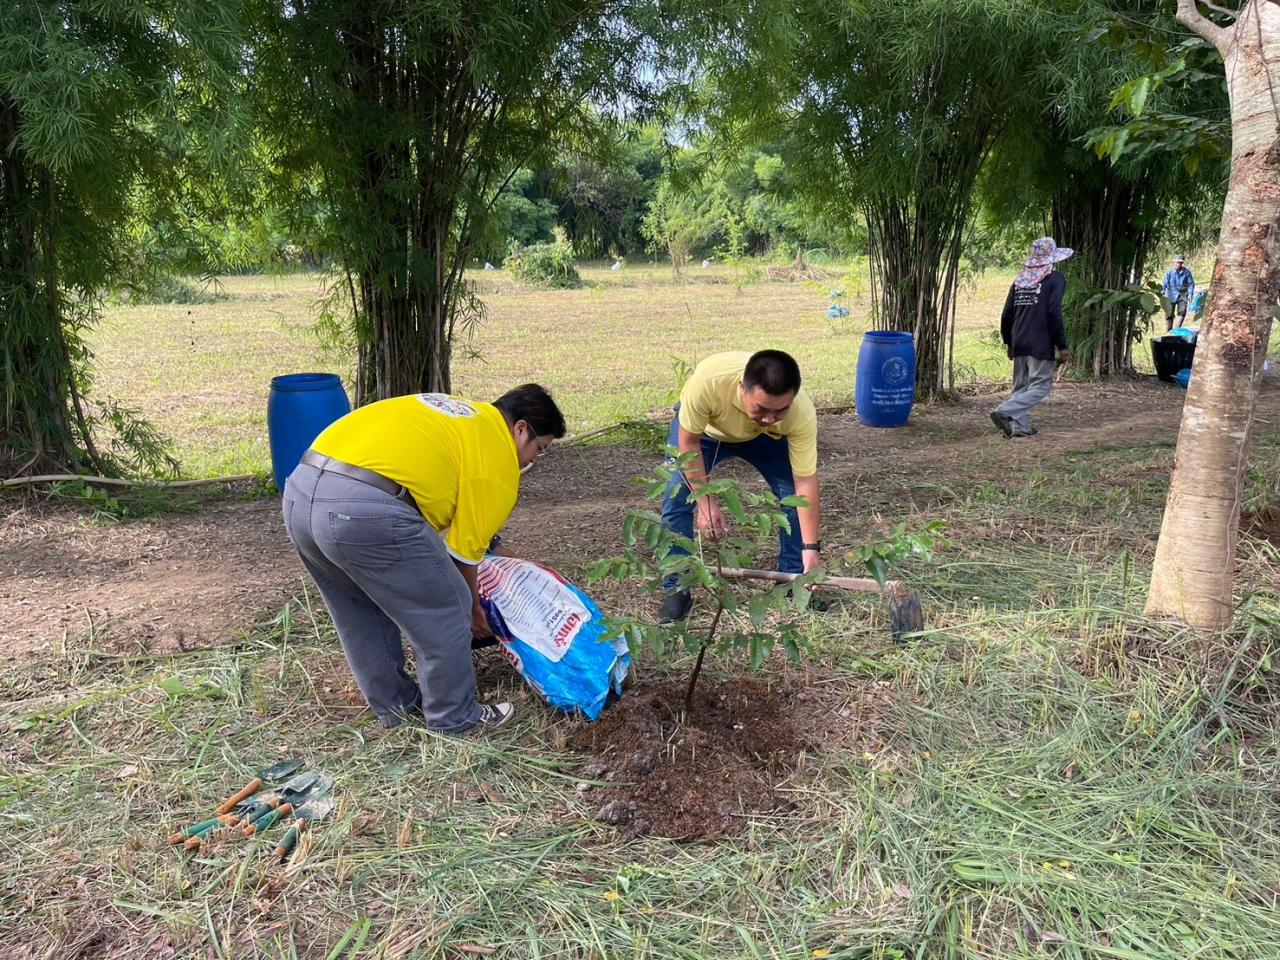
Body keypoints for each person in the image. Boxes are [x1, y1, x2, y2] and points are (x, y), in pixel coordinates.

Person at [281, 385, 565, 733]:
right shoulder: (501, 459)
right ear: (521, 429)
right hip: (364, 511)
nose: (535, 459)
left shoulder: (460, 416)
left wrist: (506, 558)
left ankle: (396, 709)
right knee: (448, 605)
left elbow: (467, 511)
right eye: (541, 448)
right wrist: (474, 612)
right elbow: (462, 556)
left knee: (359, 608)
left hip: (301, 491)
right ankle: (455, 718)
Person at [657, 350, 822, 623]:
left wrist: (811, 549)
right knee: (676, 497)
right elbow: (688, 445)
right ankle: (677, 587)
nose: (770, 417)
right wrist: (706, 502)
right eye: (761, 408)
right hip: (706, 435)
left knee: (792, 497)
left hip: (766, 440)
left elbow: (805, 481)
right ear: (741, 388)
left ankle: (793, 580)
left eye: (780, 409)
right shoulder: (708, 384)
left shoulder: (800, 412)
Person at [991, 237, 1073, 439]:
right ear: (1052, 258)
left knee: (1021, 385)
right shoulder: (1055, 279)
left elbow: (1006, 314)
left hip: (1019, 338)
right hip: (1040, 340)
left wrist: (1009, 342)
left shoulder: (1020, 280)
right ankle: (1006, 411)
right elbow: (1054, 312)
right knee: (1041, 386)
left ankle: (1019, 427)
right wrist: (1062, 345)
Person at [1161, 255, 1196, 330]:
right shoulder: (1169, 273)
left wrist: (1190, 294)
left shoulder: (1186, 272)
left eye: (1180, 263)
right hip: (1170, 295)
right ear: (1174, 262)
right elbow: (1164, 285)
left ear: (1182, 264)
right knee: (1168, 313)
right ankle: (1168, 331)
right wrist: (1163, 294)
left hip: (1182, 295)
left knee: (1182, 311)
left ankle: (1176, 330)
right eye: (1177, 262)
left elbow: (1191, 284)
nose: (1178, 264)